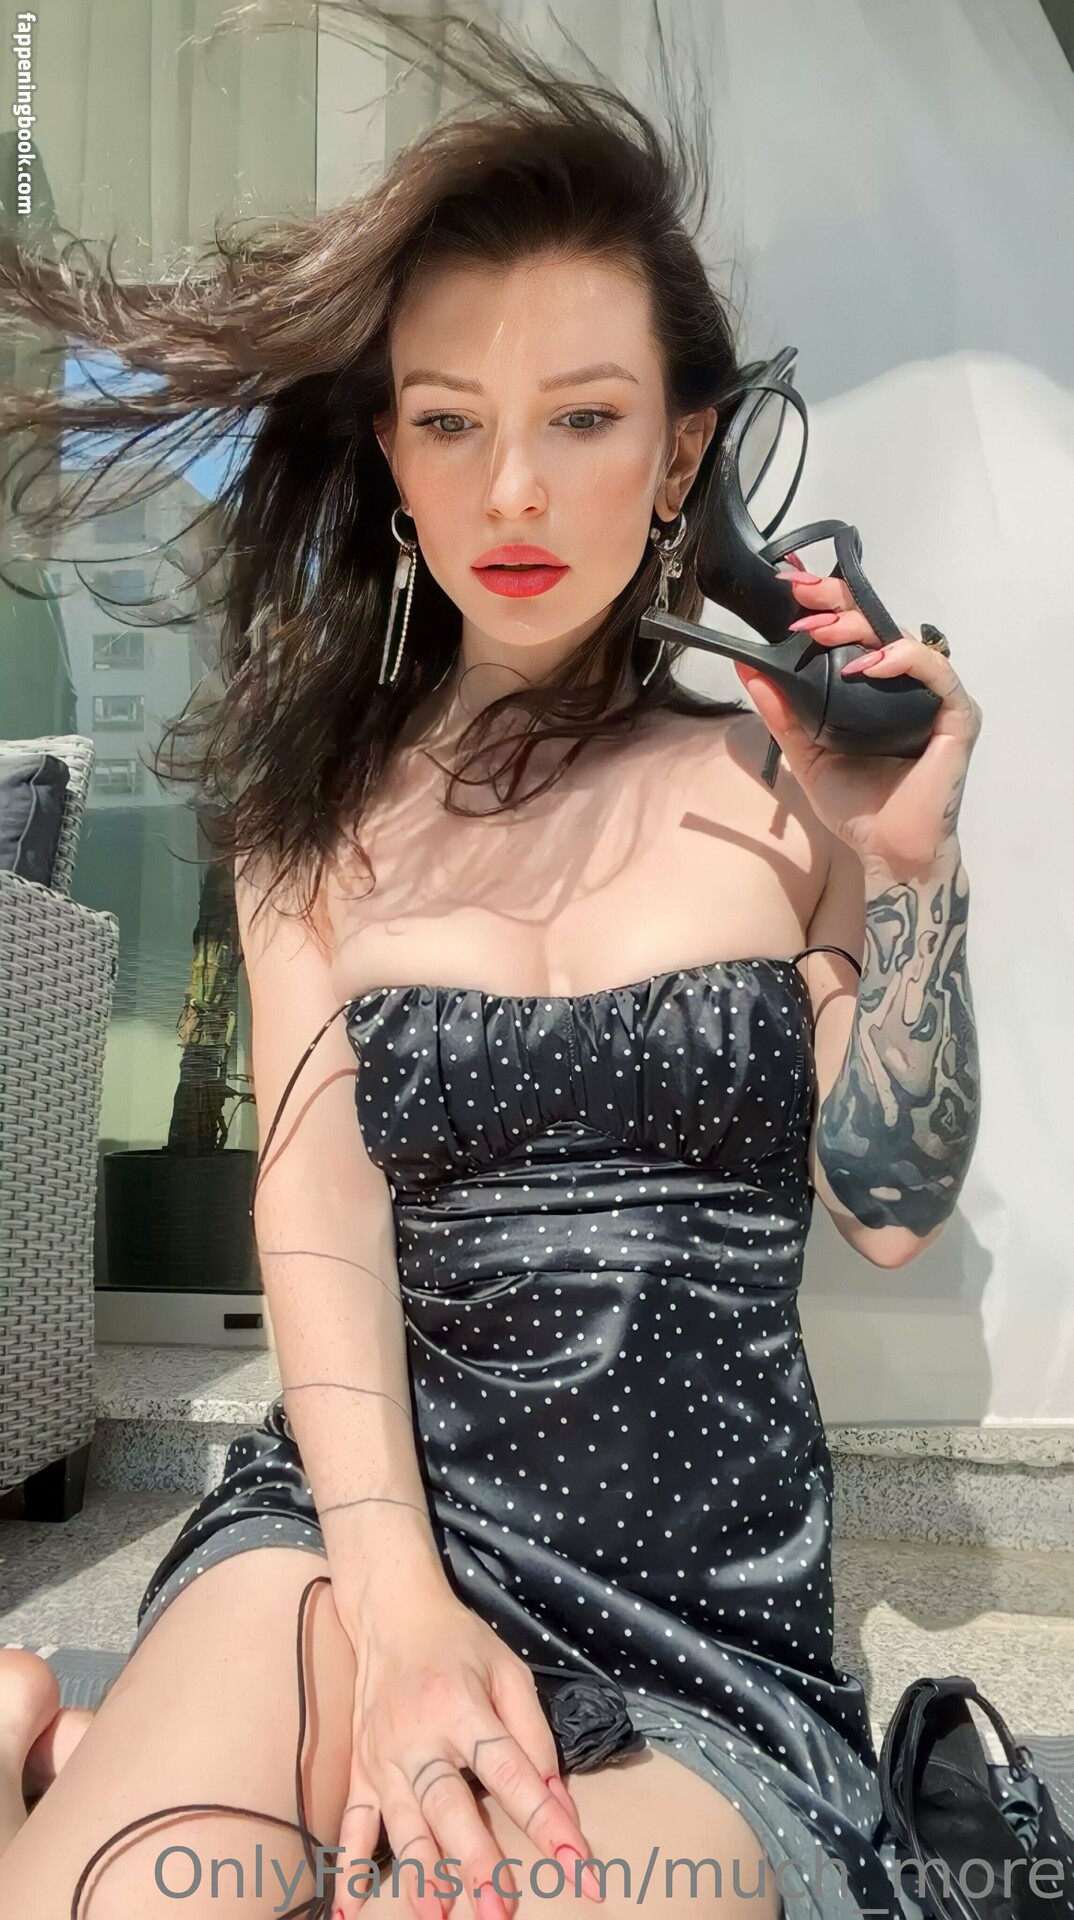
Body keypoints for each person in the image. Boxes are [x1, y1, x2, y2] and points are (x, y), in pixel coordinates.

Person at [0, 4, 982, 1915]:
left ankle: (46, 1746)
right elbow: (317, 1210)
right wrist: (400, 1619)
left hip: (686, 1611)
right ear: (391, 452)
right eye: (450, 422)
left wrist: (913, 876)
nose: (511, 491)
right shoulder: (314, 810)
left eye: (582, 419)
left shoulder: (781, 790)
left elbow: (884, 1211)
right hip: (349, 1537)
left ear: (683, 448)